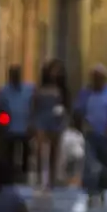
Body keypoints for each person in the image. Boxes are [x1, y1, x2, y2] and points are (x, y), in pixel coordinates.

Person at [73, 65, 107, 206]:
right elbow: (78, 111)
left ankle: (102, 190)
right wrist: (83, 125)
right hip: (90, 133)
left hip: (105, 134)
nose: (97, 81)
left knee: (104, 162)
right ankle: (90, 191)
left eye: (100, 78)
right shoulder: (85, 93)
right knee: (90, 164)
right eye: (95, 78)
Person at [0, 65, 36, 184]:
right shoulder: (3, 91)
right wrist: (1, 125)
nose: (15, 77)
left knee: (25, 153)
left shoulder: (29, 89)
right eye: (13, 74)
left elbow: (33, 106)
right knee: (9, 154)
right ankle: (9, 176)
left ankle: (23, 176)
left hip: (24, 126)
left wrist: (32, 123)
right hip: (9, 128)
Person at [33, 59, 70, 191]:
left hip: (56, 120)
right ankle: (39, 178)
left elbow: (66, 104)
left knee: (54, 151)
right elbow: (34, 104)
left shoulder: (62, 89)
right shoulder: (40, 88)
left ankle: (51, 179)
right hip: (41, 119)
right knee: (40, 150)